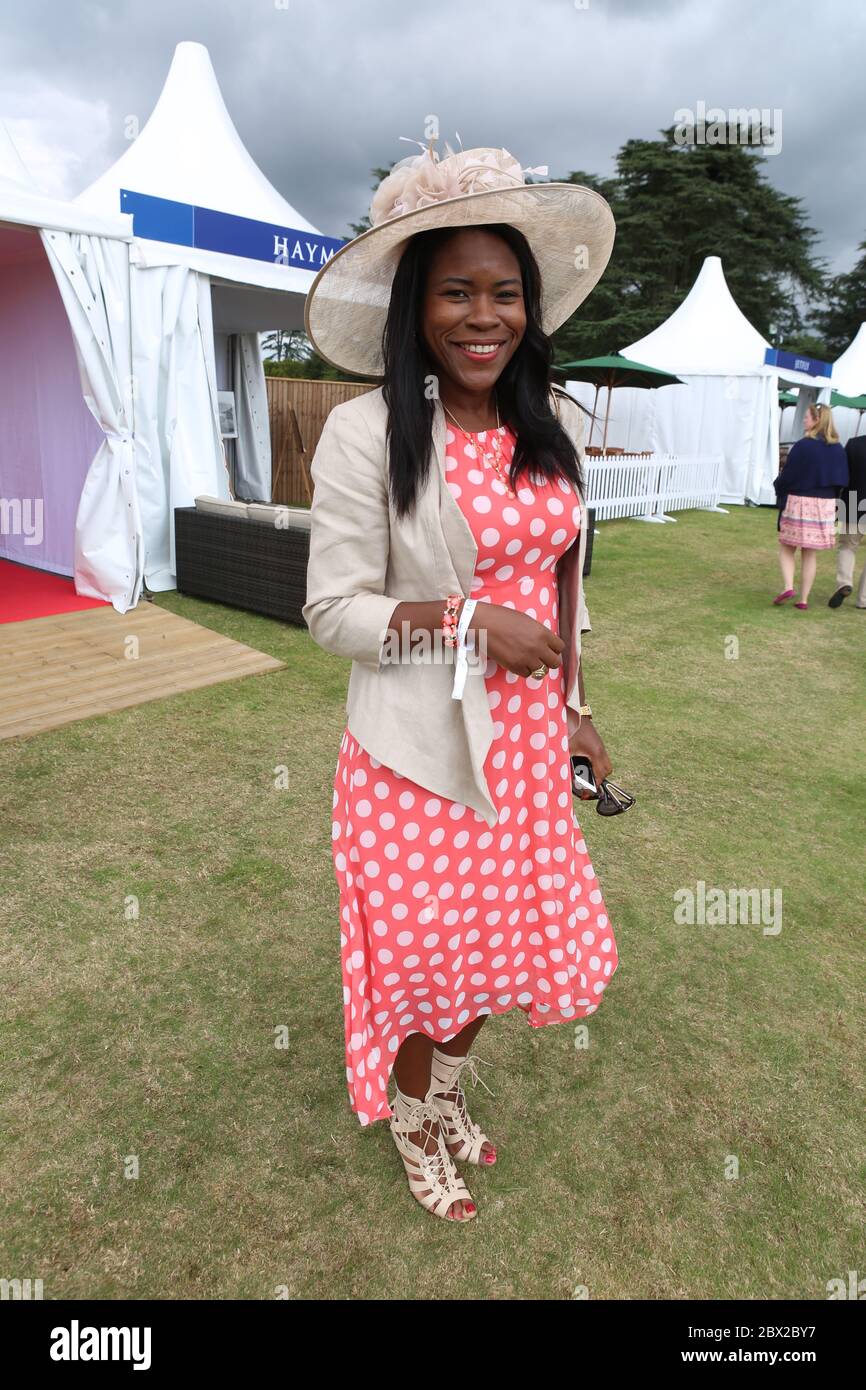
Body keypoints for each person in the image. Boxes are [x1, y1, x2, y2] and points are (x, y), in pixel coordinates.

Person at [302, 139, 620, 1222]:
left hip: (527, 755)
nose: (482, 316)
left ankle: (441, 1098)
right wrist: (465, 623)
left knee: (493, 959)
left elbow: (566, 582)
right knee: (426, 967)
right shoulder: (363, 433)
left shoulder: (555, 429)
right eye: (454, 291)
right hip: (415, 761)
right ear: (414, 306)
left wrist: (576, 710)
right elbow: (332, 611)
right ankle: (412, 1125)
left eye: (504, 293)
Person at [772, 403, 848, 609]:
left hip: (800, 501)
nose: (804, 420)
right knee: (809, 552)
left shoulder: (803, 445)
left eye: (806, 417)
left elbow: (788, 475)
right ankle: (803, 599)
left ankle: (788, 586)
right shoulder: (838, 449)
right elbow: (841, 480)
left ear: (816, 420)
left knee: (787, 546)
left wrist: (778, 487)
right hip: (825, 505)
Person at [828, 432, 866, 609]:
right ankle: (864, 599)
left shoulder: (854, 444)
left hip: (854, 503)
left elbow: (842, 476)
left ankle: (844, 582)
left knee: (848, 547)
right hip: (854, 503)